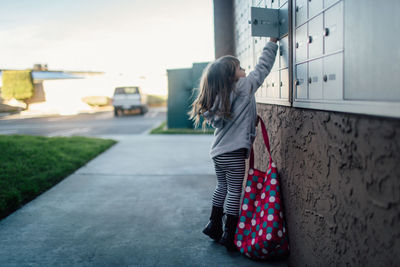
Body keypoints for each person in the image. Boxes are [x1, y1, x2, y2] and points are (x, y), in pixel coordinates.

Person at [189, 37, 278, 252]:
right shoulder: (243, 87)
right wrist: (272, 43)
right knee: (235, 191)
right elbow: (262, 68)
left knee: (222, 187)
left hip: (219, 153)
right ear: (231, 76)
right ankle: (229, 233)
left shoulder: (218, 97)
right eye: (239, 68)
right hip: (235, 153)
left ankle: (213, 224)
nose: (244, 69)